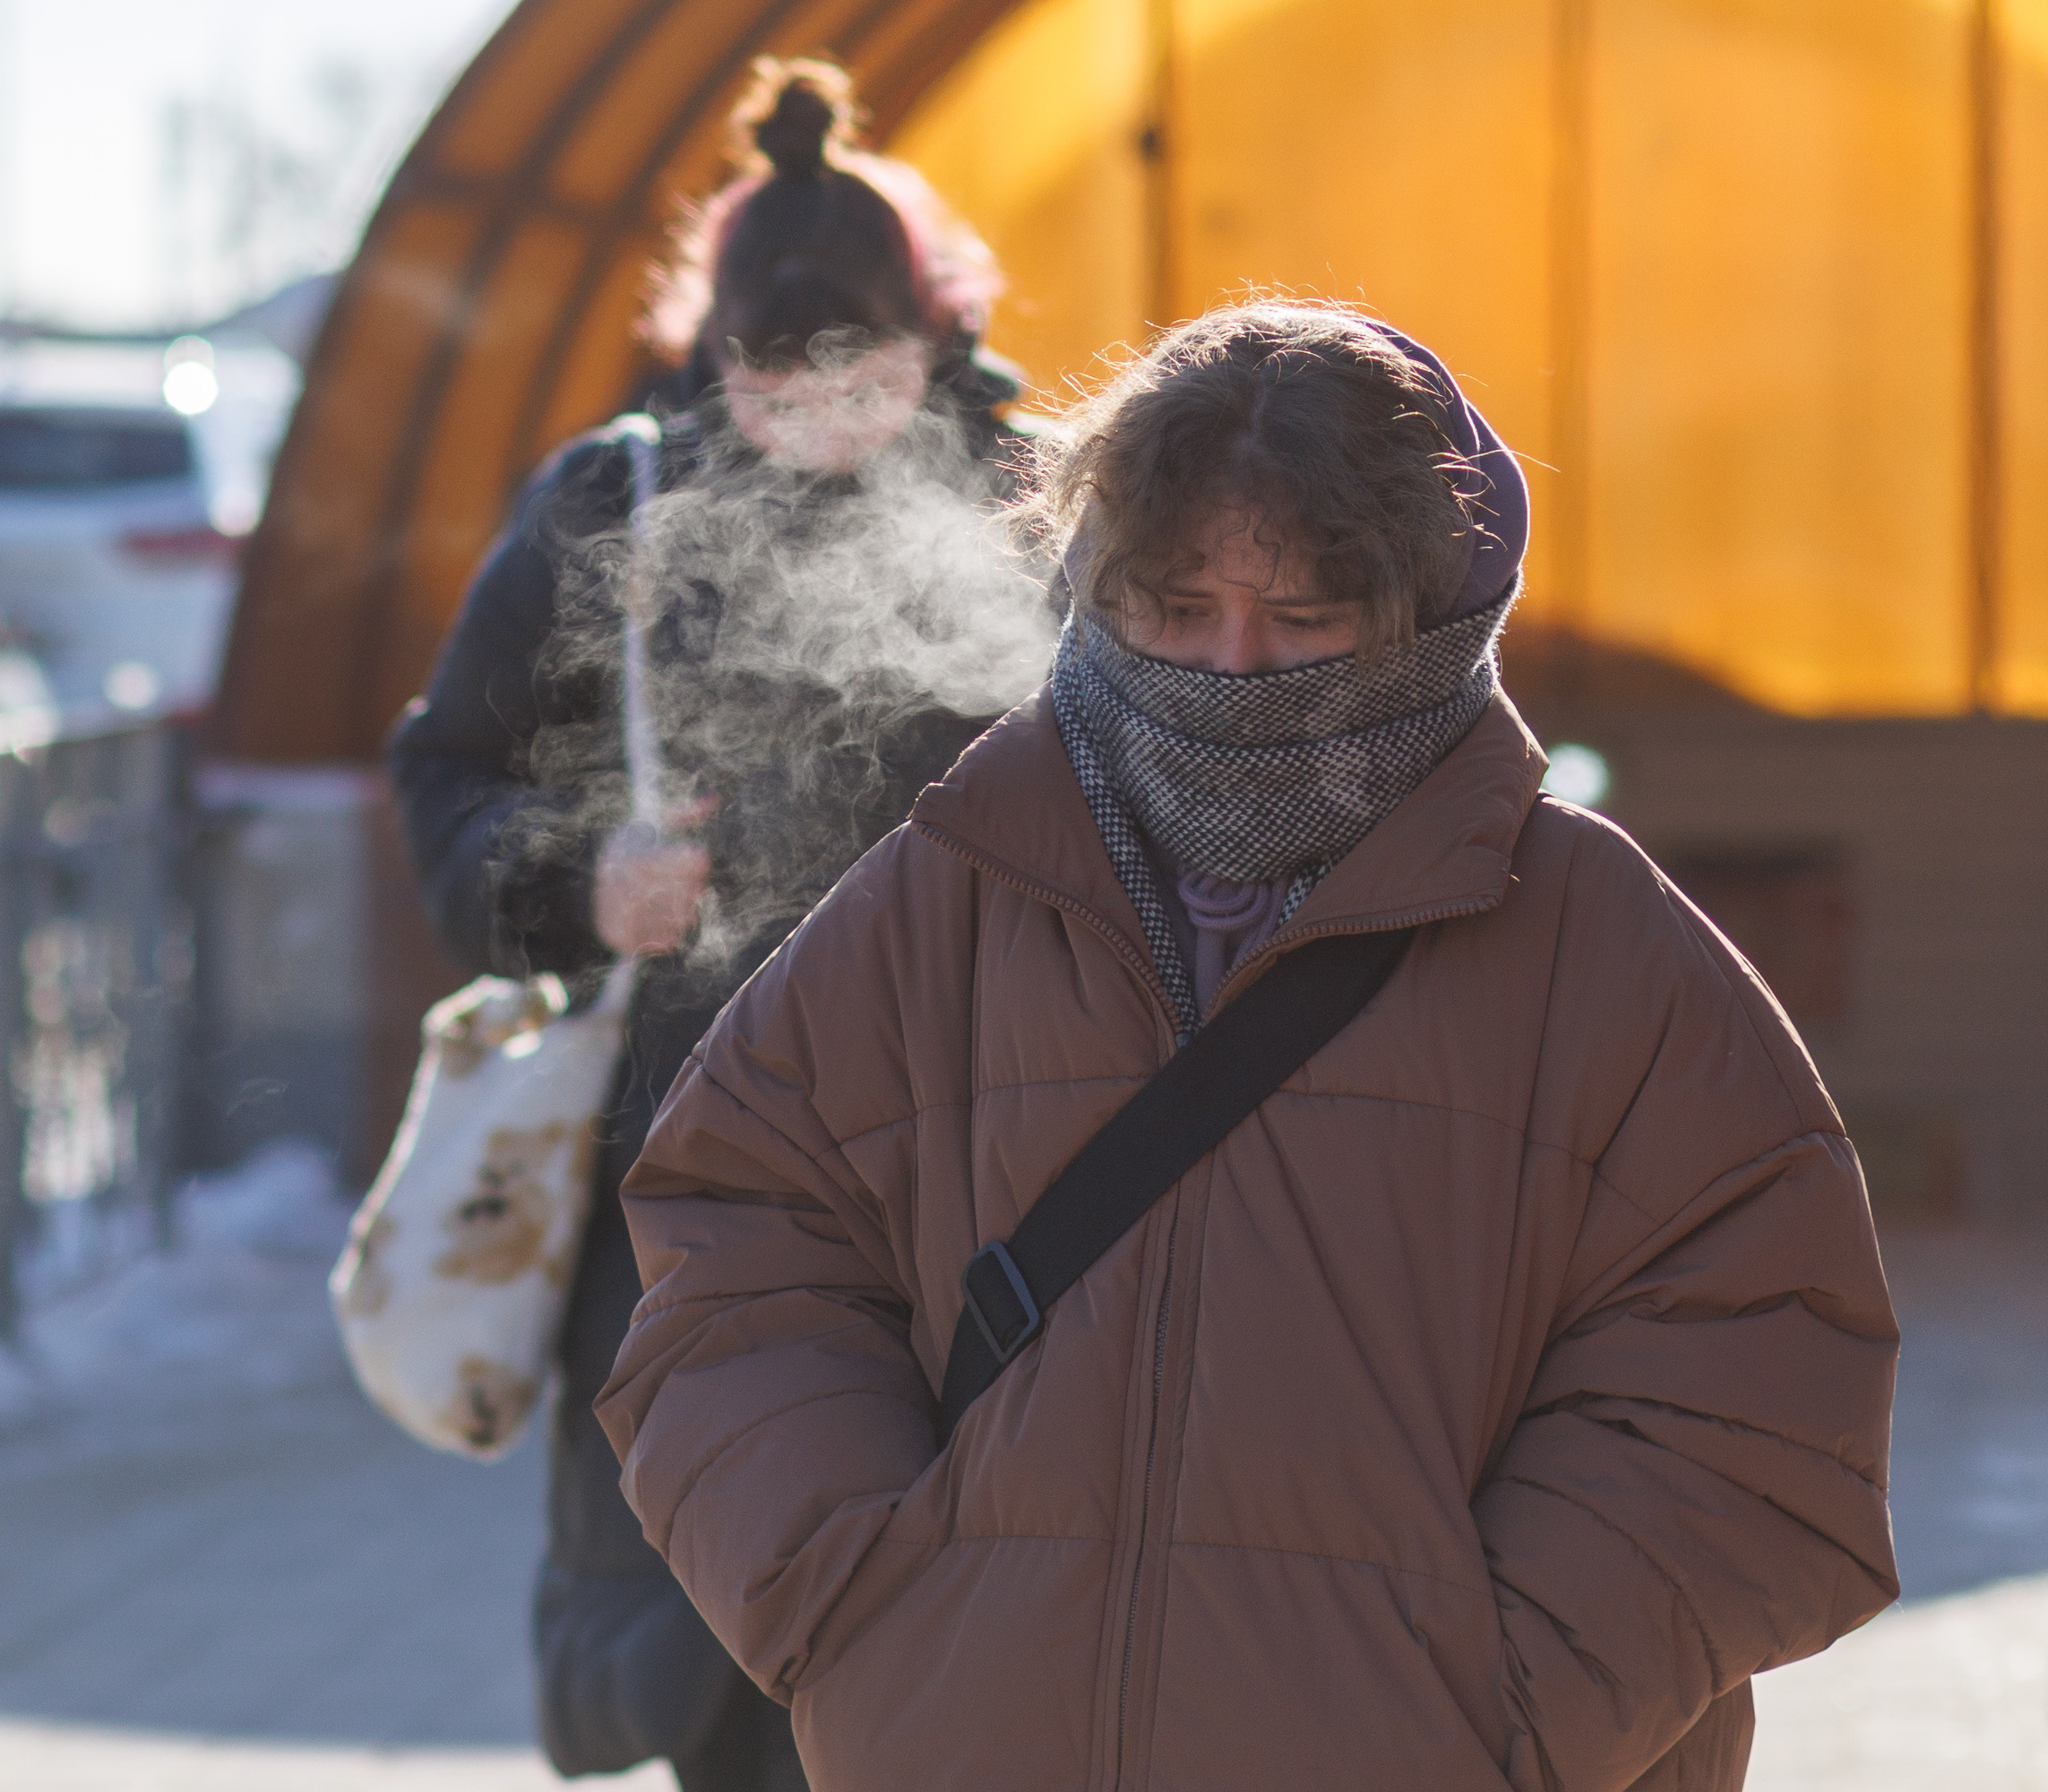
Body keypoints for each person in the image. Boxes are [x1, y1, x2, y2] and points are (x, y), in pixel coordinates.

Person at [595, 303, 1902, 1791]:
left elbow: (1752, 1387)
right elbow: (739, 1242)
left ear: (1427, 612)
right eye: (1174, 608)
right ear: (1100, 594)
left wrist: (1497, 1712)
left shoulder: (1605, 946)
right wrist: (861, 1608)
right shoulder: (946, 890)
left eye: (1304, 620)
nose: (1233, 667)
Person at [386, 58, 1044, 1792]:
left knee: (975, 1645)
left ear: (941, 332)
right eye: (778, 383)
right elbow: (447, 771)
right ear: (713, 351)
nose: (826, 419)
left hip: (999, 1167)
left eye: (872, 377)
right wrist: (577, 880)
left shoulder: (1044, 500)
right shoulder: (606, 503)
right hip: (683, 1182)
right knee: (725, 1646)